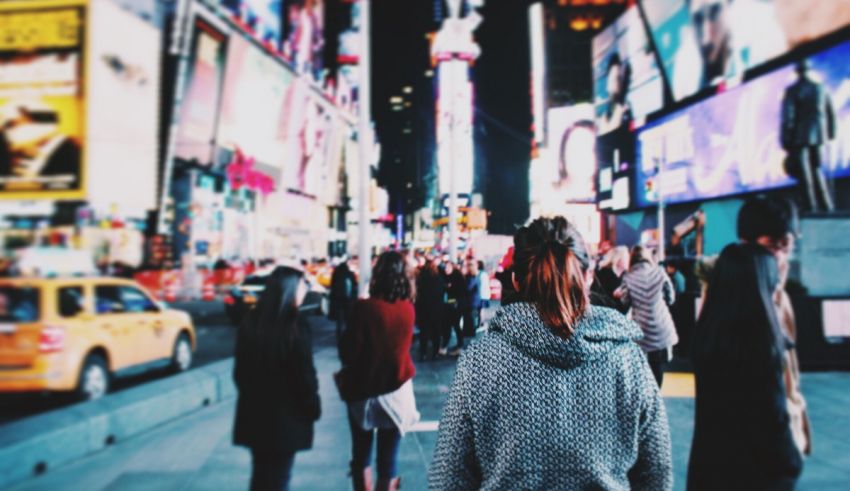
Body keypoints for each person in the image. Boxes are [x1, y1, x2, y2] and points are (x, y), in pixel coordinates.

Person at [429, 216, 673, 490]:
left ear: (516, 281)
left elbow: (449, 477)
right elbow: (656, 474)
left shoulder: (482, 360)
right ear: (588, 277)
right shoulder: (627, 359)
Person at [687, 243, 803, 490]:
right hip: (758, 473)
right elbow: (774, 419)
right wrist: (792, 461)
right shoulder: (761, 345)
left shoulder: (708, 335)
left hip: (710, 470)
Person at [336, 251, 420, 491]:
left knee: (361, 455)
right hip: (396, 390)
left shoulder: (364, 308)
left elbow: (348, 352)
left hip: (363, 390)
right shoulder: (408, 309)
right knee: (388, 459)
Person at [232, 266, 320, 491]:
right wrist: (312, 407)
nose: (305, 290)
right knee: (280, 476)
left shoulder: (252, 321)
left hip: (255, 413)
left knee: (260, 476)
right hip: (286, 417)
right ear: (290, 290)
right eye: (303, 285)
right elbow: (304, 377)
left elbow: (240, 373)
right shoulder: (296, 326)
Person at [737, 195, 812, 458]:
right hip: (758, 451)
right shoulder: (734, 299)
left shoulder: (781, 295)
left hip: (784, 440)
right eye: (771, 246)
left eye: (786, 246)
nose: (779, 257)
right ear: (747, 244)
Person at [615, 246, 678, 387]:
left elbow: (625, 302)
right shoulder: (659, 272)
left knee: (643, 370)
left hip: (642, 330)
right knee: (658, 367)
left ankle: (646, 401)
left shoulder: (628, 277)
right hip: (661, 329)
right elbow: (671, 298)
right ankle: (657, 398)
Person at [781, 59, 836, 212]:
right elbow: (830, 114)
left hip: (799, 138)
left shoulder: (793, 91)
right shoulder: (820, 88)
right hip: (819, 136)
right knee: (817, 171)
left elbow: (788, 118)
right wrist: (830, 133)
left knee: (806, 175)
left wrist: (786, 140)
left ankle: (811, 207)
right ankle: (827, 205)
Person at [415, 258, 446, 361]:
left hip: (424, 309)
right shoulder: (439, 279)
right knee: (436, 331)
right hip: (436, 309)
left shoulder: (421, 279)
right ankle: (435, 352)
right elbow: (441, 293)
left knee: (423, 332)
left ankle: (423, 352)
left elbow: (418, 295)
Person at [597, 52, 633, 135]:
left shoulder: (626, 109)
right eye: (614, 79)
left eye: (619, 79)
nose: (617, 84)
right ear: (607, 84)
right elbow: (610, 132)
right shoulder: (604, 114)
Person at [329, 257, 358, 354]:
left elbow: (333, 287)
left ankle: (341, 341)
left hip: (339, 301)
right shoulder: (349, 274)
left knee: (340, 323)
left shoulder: (338, 272)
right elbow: (352, 288)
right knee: (347, 322)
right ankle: (346, 341)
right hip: (347, 302)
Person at [593, 245, 630, 313]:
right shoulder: (605, 272)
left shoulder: (625, 275)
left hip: (617, 313)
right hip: (605, 312)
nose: (629, 260)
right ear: (619, 260)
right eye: (626, 258)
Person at [441, 261, 466, 356]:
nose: (446, 269)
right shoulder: (447, 277)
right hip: (451, 305)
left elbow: (459, 292)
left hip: (457, 305)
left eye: (448, 267)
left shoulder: (457, 277)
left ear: (452, 268)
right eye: (445, 267)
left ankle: (459, 346)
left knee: (455, 325)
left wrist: (448, 288)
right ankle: (455, 346)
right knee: (451, 325)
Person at [461, 259, 482, 338]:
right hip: (470, 302)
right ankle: (468, 334)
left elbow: (467, 288)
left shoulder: (472, 277)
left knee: (470, 319)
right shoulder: (470, 276)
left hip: (472, 302)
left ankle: (470, 335)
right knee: (468, 318)